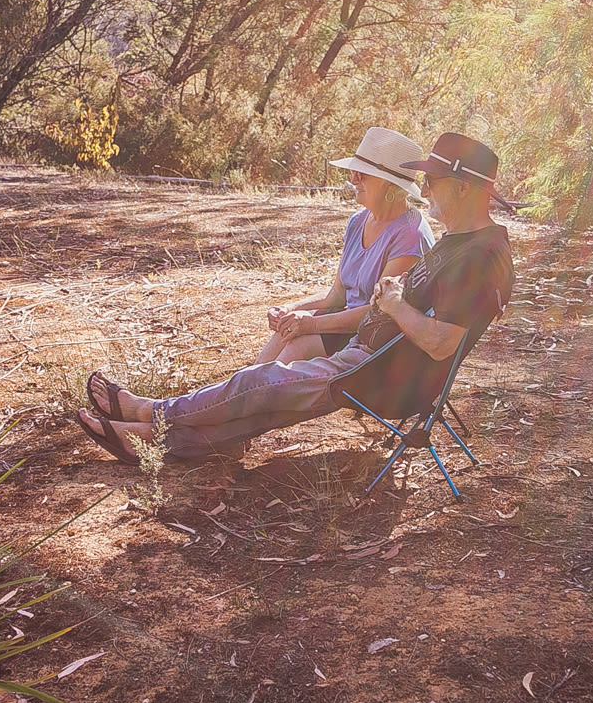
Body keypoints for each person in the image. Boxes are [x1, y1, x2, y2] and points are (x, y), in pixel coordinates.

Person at [77, 132, 515, 463]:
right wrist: (388, 301)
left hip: (377, 373)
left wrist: (394, 305)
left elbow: (442, 342)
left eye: (433, 180)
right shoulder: (459, 241)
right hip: (372, 357)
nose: (426, 188)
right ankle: (153, 442)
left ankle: (151, 412)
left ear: (462, 187)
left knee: (256, 384)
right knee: (263, 402)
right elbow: (360, 298)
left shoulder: (478, 256)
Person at [254, 127, 433, 366]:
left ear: (391, 185)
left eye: (364, 173)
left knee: (296, 346)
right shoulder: (358, 221)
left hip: (375, 340)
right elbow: (338, 294)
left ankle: (256, 399)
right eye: (355, 170)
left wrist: (310, 324)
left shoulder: (410, 234)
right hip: (345, 325)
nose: (353, 179)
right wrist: (291, 308)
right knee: (284, 334)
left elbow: (380, 312)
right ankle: (235, 400)